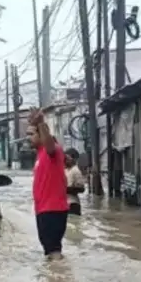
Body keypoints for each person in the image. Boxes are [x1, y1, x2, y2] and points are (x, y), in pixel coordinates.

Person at [27, 108, 69, 260]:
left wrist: (41, 123)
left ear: (41, 135)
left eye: (31, 134)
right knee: (49, 251)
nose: (28, 138)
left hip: (53, 209)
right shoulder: (39, 154)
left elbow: (50, 145)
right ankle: (55, 274)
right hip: (43, 210)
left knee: (53, 251)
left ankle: (58, 275)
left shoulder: (52, 150)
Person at [64, 147, 85, 216]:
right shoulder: (65, 170)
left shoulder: (76, 170)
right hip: (64, 204)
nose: (65, 160)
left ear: (74, 159)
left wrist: (65, 189)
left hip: (73, 204)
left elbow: (82, 189)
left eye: (67, 158)